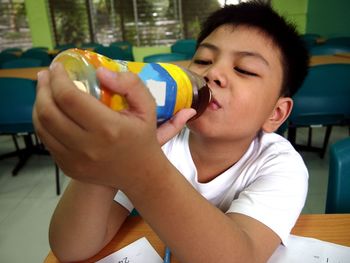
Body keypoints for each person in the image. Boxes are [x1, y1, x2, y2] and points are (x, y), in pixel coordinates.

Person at [33, 1, 309, 262]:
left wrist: (141, 166)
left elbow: (241, 256)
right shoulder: (155, 137)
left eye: (244, 69)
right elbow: (71, 249)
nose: (213, 73)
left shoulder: (281, 165)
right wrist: (102, 165)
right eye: (202, 60)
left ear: (276, 114)